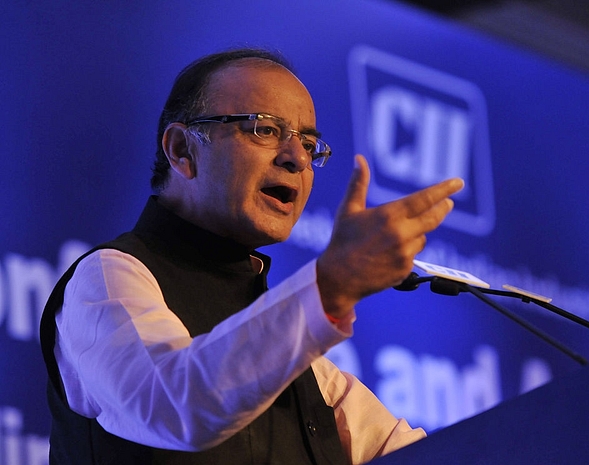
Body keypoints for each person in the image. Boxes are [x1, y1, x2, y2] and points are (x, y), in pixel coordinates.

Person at [40, 48, 464, 464]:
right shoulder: (108, 279)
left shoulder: (312, 373)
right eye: (263, 129)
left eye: (309, 143)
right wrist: (330, 287)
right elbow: (174, 405)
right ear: (182, 151)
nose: (297, 158)